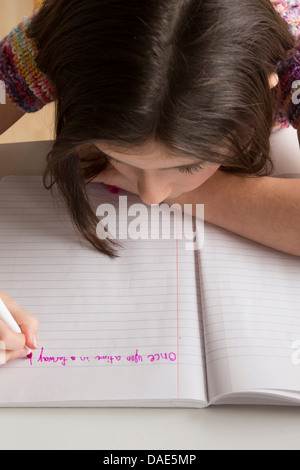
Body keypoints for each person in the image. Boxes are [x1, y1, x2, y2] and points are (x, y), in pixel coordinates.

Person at [0, 0, 299, 363]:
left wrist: (200, 193)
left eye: (188, 166)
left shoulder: (292, 59)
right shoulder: (53, 42)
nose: (150, 195)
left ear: (265, 84)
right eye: (121, 159)